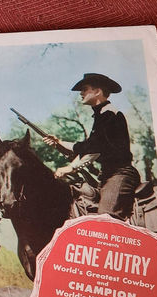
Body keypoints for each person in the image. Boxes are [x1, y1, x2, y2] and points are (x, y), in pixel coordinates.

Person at [43, 73, 141, 220]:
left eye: (84, 89)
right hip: (107, 176)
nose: (81, 93)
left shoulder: (109, 114)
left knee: (105, 218)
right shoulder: (102, 115)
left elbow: (96, 148)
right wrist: (59, 143)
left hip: (120, 174)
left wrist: (71, 168)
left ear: (97, 91)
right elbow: (90, 145)